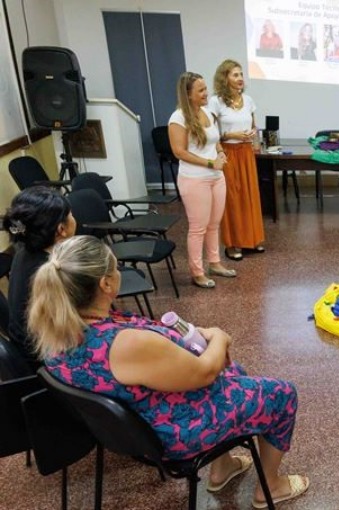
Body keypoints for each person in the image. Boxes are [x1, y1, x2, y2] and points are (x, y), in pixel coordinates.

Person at [29, 236, 309, 508]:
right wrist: (218, 336)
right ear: (106, 283)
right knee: (282, 394)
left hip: (134, 422)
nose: (119, 272)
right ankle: (271, 485)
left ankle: (222, 468)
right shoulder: (123, 344)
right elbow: (205, 371)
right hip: (172, 431)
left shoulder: (56, 334)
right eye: (116, 267)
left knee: (236, 370)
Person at [168, 72, 236, 289]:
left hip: (216, 177)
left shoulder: (207, 112)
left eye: (206, 89)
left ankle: (214, 263)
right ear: (188, 94)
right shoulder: (178, 118)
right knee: (198, 228)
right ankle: (197, 272)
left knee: (214, 224)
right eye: (201, 90)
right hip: (195, 179)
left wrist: (220, 153)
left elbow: (215, 140)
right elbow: (179, 152)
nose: (206, 93)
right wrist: (209, 163)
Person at [1, 187, 76, 368]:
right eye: (71, 214)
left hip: (29, 349)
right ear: (61, 229)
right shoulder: (52, 271)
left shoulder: (24, 250)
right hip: (47, 359)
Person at [208, 59, 266, 262]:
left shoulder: (248, 100)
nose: (240, 78)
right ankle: (232, 244)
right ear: (225, 78)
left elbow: (253, 126)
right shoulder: (216, 102)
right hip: (228, 152)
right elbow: (211, 133)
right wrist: (231, 135)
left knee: (250, 195)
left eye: (241, 74)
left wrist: (252, 133)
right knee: (232, 198)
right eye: (235, 75)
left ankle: (253, 239)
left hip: (246, 152)